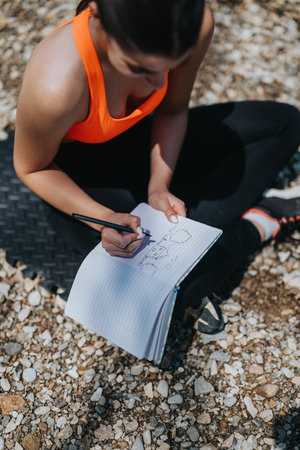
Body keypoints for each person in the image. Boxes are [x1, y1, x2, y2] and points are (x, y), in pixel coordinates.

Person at [14, 0, 300, 334]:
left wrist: (159, 186)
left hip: (146, 143)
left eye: (165, 68)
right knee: (155, 295)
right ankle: (258, 223)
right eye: (139, 69)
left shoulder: (194, 22)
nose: (154, 85)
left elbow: (171, 110)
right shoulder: (56, 84)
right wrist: (103, 220)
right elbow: (33, 168)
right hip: (82, 186)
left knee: (284, 124)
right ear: (97, 13)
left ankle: (194, 245)